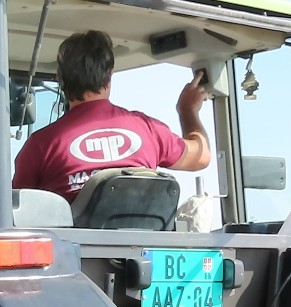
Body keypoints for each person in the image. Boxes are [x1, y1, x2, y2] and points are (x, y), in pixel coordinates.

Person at [13, 30, 211, 202]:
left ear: (60, 78)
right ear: (109, 75)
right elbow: (201, 156)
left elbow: (14, 210)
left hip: (74, 245)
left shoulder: (41, 145)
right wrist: (187, 110)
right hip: (144, 243)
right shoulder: (148, 130)